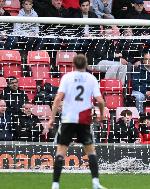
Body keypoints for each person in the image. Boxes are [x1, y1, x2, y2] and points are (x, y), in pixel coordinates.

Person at [47, 54, 107, 189]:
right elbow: (101, 101)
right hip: (84, 120)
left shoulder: (67, 77)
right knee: (91, 151)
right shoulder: (91, 79)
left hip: (68, 119)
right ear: (86, 65)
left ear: (73, 64)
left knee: (61, 151)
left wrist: (52, 118)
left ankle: (55, 184)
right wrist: (101, 116)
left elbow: (57, 99)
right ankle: (96, 183)